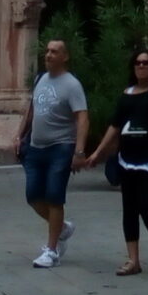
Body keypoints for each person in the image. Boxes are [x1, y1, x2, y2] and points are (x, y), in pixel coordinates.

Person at [78, 47, 148, 276]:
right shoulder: (126, 95)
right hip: (128, 158)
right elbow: (115, 126)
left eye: (146, 63)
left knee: (146, 204)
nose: (141, 66)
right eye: (138, 63)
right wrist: (97, 153)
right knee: (129, 209)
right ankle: (133, 260)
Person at [20, 38, 88, 268]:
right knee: (32, 196)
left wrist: (79, 151)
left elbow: (82, 118)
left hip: (61, 147)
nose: (48, 55)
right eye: (47, 51)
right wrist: (20, 135)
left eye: (54, 51)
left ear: (65, 57)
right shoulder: (40, 79)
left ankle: (51, 251)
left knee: (54, 196)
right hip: (35, 146)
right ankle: (63, 228)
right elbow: (31, 110)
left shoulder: (72, 85)